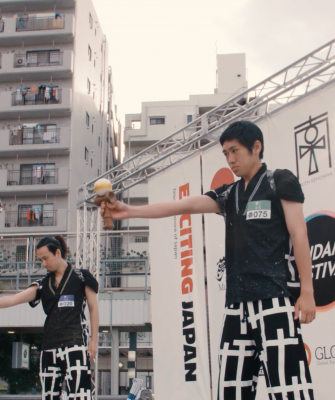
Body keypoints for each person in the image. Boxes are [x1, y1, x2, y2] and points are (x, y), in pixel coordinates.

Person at [102, 120, 316, 400]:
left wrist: (307, 291)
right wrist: (129, 211)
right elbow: (185, 205)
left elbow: (299, 233)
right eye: (225, 153)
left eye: (235, 151)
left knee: (289, 388)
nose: (230, 159)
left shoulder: (279, 181)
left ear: (256, 147)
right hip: (236, 306)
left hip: (275, 299)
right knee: (231, 390)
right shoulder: (229, 193)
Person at [0, 236, 99, 400]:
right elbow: (15, 299)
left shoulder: (81, 277)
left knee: (80, 395)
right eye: (40, 260)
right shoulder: (43, 284)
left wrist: (94, 340)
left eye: (46, 258)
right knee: (49, 395)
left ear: (57, 253)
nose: (44, 264)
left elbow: (93, 308)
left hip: (76, 343)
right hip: (49, 346)